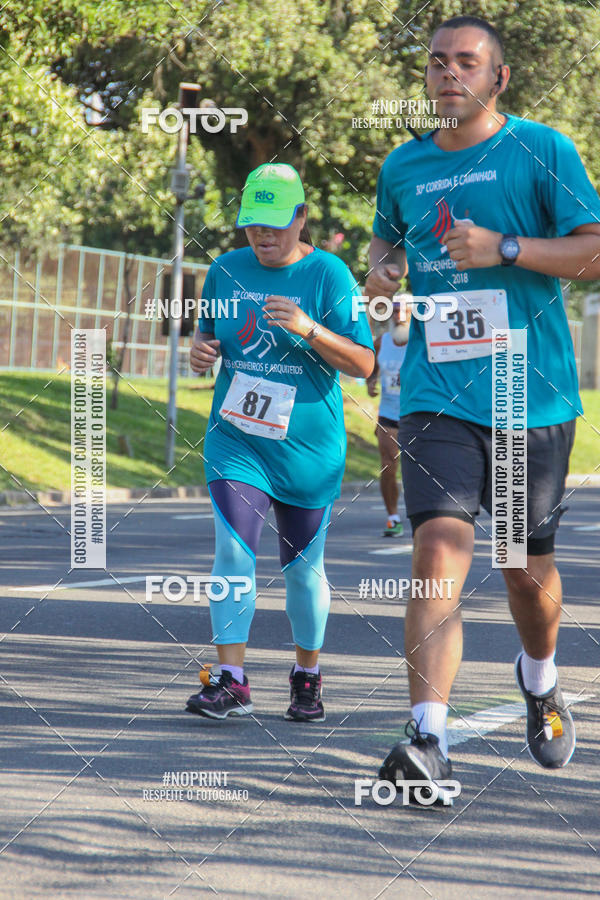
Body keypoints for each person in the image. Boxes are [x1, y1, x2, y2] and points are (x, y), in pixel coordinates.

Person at [366, 15, 600, 801]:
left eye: (466, 63)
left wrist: (506, 247)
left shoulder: (542, 150)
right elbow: (387, 245)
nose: (446, 75)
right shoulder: (402, 164)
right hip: (439, 392)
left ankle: (540, 679)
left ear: (498, 78)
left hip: (529, 395)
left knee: (524, 572)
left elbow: (593, 251)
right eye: (435, 64)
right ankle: (427, 738)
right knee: (437, 548)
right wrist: (384, 272)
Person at [186, 163, 374, 722]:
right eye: (251, 226)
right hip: (237, 440)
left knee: (302, 569)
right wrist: (200, 354)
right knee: (231, 551)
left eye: (273, 224)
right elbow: (206, 336)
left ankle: (307, 673)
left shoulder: (330, 275)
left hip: (308, 449)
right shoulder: (225, 270)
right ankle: (231, 680)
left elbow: (364, 362)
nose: (262, 237)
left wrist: (308, 327)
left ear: (300, 217)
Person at [366, 298, 410, 536]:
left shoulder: (420, 342)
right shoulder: (382, 342)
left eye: (404, 310)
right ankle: (393, 518)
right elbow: (368, 366)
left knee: (422, 470)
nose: (399, 315)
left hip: (418, 415)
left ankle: (428, 515)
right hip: (388, 415)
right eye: (394, 310)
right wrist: (370, 382)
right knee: (387, 466)